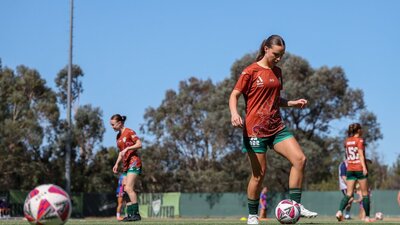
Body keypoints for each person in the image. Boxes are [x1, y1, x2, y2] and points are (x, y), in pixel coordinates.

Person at [229, 34, 318, 225]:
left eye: (282, 55)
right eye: (276, 54)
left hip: (276, 127)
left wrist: (292, 103)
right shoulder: (250, 71)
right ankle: (253, 216)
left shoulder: (277, 72)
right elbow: (234, 94)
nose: (279, 58)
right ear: (266, 49)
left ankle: (295, 205)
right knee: (259, 174)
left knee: (300, 159)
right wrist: (234, 114)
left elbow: (274, 99)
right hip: (255, 130)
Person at [336, 123, 371, 222]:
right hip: (359, 168)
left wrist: (365, 159)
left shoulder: (347, 141)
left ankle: (339, 211)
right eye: (361, 129)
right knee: (365, 194)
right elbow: (360, 155)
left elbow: (349, 155)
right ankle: (367, 217)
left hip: (350, 169)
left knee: (349, 194)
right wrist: (364, 167)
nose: (362, 130)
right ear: (358, 130)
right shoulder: (360, 140)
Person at [111, 114, 142, 222]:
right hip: (125, 165)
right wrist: (116, 164)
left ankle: (136, 214)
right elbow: (121, 152)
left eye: (113, 125)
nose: (112, 127)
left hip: (134, 162)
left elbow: (139, 144)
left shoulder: (129, 132)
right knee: (124, 190)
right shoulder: (118, 137)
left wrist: (128, 148)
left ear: (119, 123)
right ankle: (130, 214)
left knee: (129, 188)